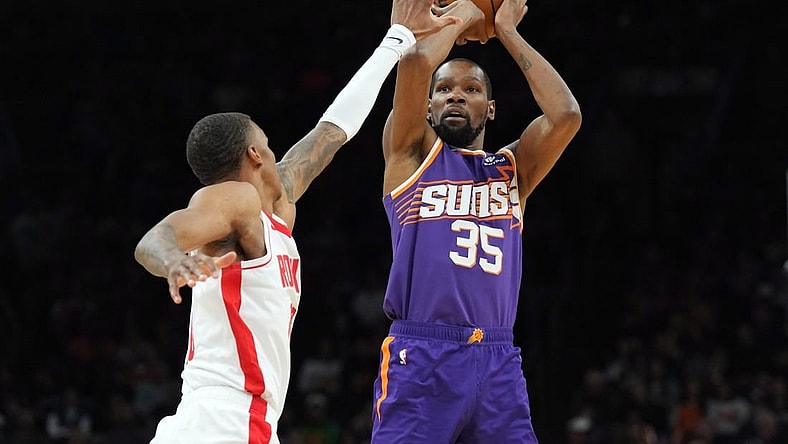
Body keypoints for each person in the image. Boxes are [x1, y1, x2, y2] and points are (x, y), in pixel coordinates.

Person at [133, 2, 462, 443]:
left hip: (245, 421)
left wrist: (397, 39)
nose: (273, 149)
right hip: (219, 422)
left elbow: (332, 131)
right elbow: (155, 238)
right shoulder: (235, 200)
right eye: (265, 141)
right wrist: (173, 259)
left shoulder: (275, 205)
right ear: (254, 154)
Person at [370, 0, 582, 442]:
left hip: (497, 358)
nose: (456, 96)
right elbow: (413, 65)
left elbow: (566, 116)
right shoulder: (409, 159)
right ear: (428, 108)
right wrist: (463, 15)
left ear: (490, 109)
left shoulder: (512, 170)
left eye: (470, 90)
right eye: (445, 90)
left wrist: (505, 29)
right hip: (422, 354)